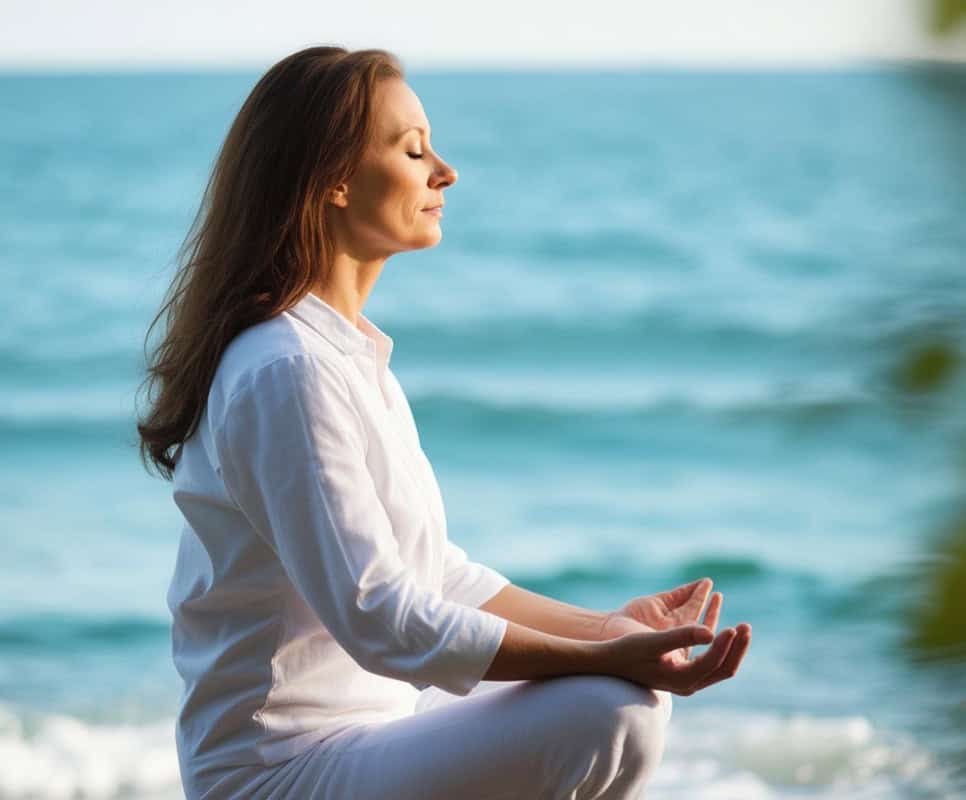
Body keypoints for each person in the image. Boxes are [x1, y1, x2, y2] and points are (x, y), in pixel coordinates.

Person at [136, 45, 752, 799]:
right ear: (330, 179)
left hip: (374, 733)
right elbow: (382, 618)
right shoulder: (283, 369)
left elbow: (435, 574)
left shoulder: (344, 355)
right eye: (413, 148)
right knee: (607, 709)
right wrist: (597, 661)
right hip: (278, 773)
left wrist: (604, 630)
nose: (444, 171)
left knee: (623, 700)